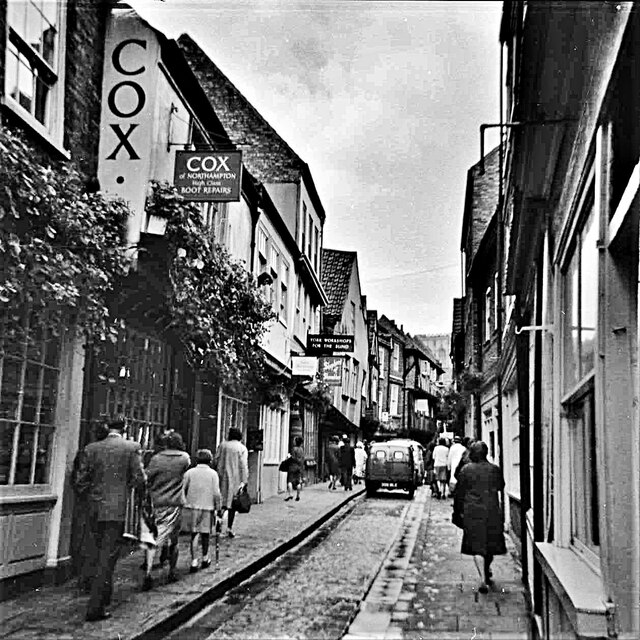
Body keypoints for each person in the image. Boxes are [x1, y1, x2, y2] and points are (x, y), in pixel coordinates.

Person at [78, 416, 145, 621]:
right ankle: (95, 607)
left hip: (94, 508)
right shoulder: (131, 447)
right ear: (124, 428)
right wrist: (127, 488)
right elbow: (140, 477)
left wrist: (92, 497)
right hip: (115, 509)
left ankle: (102, 595)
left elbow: (81, 480)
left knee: (96, 552)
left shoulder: (91, 448)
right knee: (107, 558)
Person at [452, 441, 506, 594]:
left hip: (472, 511)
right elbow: (501, 486)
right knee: (489, 544)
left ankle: (483, 578)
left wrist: (457, 513)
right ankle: (486, 569)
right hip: (491, 510)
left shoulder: (466, 470)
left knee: (476, 544)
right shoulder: (495, 469)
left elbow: (459, 494)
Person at [143, 431, 190, 590]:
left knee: (152, 537)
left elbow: (147, 477)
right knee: (173, 540)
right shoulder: (184, 458)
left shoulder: (156, 459)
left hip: (157, 503)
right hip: (175, 503)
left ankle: (148, 573)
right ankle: (172, 571)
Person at [182, 449, 221, 573]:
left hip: (192, 506)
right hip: (207, 507)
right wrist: (218, 508)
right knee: (206, 534)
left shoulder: (189, 473)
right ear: (210, 460)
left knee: (194, 534)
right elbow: (216, 493)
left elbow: (183, 489)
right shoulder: (213, 474)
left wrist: (184, 503)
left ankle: (194, 561)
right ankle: (205, 558)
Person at [214, 427, 249, 538]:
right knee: (233, 504)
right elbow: (243, 465)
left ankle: (219, 520)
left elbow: (216, 460)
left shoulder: (222, 445)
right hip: (235, 479)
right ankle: (229, 528)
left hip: (221, 477)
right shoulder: (242, 448)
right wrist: (244, 480)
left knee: (222, 502)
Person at [285, 436, 305, 501]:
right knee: (298, 482)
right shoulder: (301, 450)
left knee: (290, 481)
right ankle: (298, 495)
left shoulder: (294, 449)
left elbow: (293, 457)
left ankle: (290, 494)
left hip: (292, 466)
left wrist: (288, 457)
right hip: (299, 467)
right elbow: (302, 458)